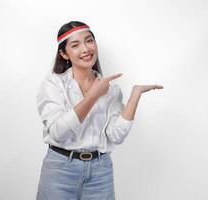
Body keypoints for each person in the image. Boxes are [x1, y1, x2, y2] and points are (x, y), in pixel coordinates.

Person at [36, 21, 163, 200]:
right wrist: (93, 96)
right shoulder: (53, 84)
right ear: (64, 54)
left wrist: (134, 97)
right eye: (75, 45)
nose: (85, 48)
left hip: (100, 171)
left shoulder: (111, 90)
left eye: (89, 41)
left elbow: (116, 136)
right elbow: (58, 132)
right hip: (60, 169)